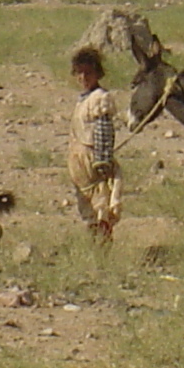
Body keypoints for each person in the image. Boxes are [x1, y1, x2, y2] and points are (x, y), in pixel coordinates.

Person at [68, 45, 121, 242]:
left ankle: (103, 251)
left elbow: (104, 131)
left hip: (93, 161)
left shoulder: (100, 98)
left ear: (97, 73)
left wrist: (103, 161)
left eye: (88, 73)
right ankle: (94, 248)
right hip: (80, 162)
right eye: (79, 73)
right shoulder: (83, 100)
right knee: (87, 209)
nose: (83, 77)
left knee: (101, 208)